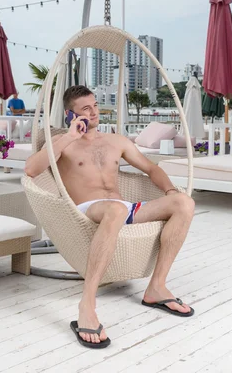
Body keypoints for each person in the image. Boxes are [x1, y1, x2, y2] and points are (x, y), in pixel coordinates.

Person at [24, 85, 195, 349]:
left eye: (95, 106)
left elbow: (151, 168)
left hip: (121, 208)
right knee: (115, 208)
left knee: (184, 203)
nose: (94, 112)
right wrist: (69, 136)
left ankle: (156, 287)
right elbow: (31, 170)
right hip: (87, 210)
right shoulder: (62, 144)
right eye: (85, 109)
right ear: (71, 115)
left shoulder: (116, 141)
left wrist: (170, 190)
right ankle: (87, 305)